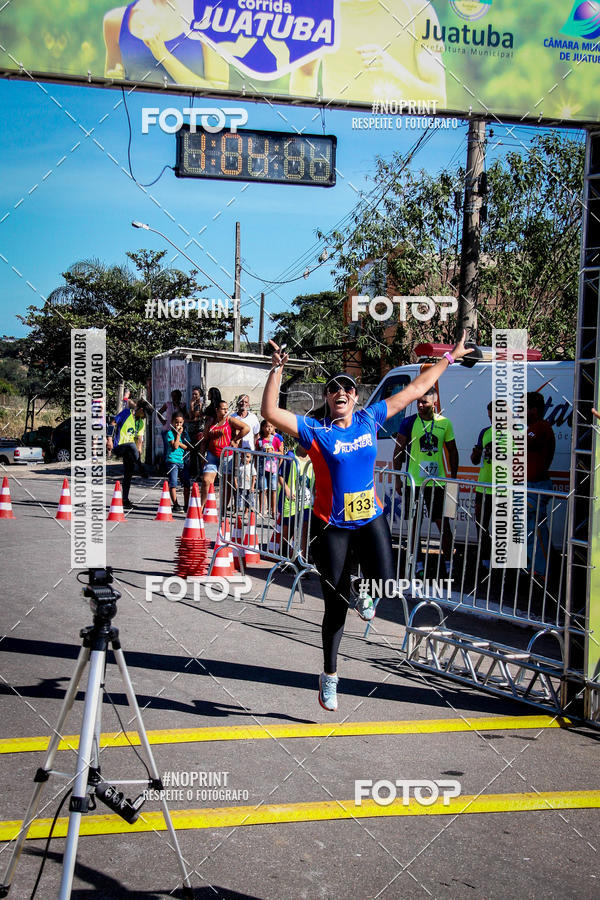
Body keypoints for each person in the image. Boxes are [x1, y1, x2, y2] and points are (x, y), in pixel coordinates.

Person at [262, 334, 472, 712]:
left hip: (369, 516)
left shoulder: (368, 419)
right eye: (333, 389)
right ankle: (329, 676)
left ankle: (365, 588)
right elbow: (271, 414)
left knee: (388, 584)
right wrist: (277, 369)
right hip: (333, 526)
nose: (340, 391)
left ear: (356, 397)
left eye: (347, 387)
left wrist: (450, 358)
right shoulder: (317, 432)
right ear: (328, 399)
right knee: (335, 607)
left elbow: (416, 388)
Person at [289, 0, 446, 107]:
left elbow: (439, 100)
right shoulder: (321, 8)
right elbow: (305, 74)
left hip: (400, 135)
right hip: (338, 132)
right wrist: (307, 133)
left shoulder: (418, 9)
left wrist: (396, 73)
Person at [393, 387, 458, 576]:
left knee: (443, 524)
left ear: (434, 403)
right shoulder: (409, 422)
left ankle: (449, 562)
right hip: (414, 483)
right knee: (414, 524)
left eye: (425, 402)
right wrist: (398, 479)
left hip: (437, 483)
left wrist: (453, 478)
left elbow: (452, 451)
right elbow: (398, 451)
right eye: (418, 402)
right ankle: (417, 563)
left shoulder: (445, 423)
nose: (420, 406)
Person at [103, 0, 229, 87]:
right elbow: (112, 85)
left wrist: (164, 56)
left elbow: (217, 94)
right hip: (138, 122)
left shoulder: (210, 20)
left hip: (187, 123)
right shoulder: (115, 21)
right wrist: (115, 81)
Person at [199, 399, 249, 510]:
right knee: (206, 480)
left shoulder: (230, 420)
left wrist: (235, 440)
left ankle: (223, 509)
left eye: (227, 409)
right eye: (223, 409)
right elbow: (205, 440)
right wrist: (202, 455)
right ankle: (201, 507)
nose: (226, 411)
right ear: (217, 410)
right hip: (212, 455)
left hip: (227, 456)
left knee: (227, 484)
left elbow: (246, 428)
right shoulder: (210, 422)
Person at [526, 392, 556, 578]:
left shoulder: (541, 427)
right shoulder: (534, 426)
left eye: (524, 409)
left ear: (534, 410)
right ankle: (537, 568)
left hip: (536, 486)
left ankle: (541, 571)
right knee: (532, 529)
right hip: (530, 485)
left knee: (536, 529)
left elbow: (520, 443)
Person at [112, 399, 149, 509]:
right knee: (130, 445)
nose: (144, 417)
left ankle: (125, 499)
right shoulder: (126, 413)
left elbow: (139, 443)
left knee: (128, 472)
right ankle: (141, 468)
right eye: (144, 414)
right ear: (140, 410)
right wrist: (109, 439)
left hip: (129, 451)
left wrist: (138, 454)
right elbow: (112, 423)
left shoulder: (140, 423)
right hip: (118, 446)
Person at [471, 401, 493, 570]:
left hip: (504, 489)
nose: (493, 420)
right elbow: (474, 460)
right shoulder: (485, 432)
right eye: (490, 416)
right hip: (483, 487)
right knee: (481, 524)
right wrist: (476, 453)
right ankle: (484, 561)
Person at [165, 411, 192, 513]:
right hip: (172, 461)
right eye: (176, 422)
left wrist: (180, 440)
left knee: (186, 483)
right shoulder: (170, 433)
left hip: (182, 461)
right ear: (172, 422)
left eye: (180, 423)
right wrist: (178, 435)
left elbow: (188, 447)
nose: (178, 425)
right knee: (173, 483)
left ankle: (186, 505)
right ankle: (175, 504)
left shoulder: (185, 434)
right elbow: (175, 446)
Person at [256, 419, 283, 516]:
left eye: (271, 426)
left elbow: (281, 453)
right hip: (262, 468)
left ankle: (273, 511)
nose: (269, 428)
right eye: (267, 426)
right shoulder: (259, 441)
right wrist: (256, 466)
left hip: (273, 468)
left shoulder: (276, 439)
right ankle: (261, 510)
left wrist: (273, 453)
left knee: (274, 489)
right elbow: (256, 454)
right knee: (262, 489)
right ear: (263, 427)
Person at [158, 390, 188, 461]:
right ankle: (165, 467)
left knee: (177, 448)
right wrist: (163, 421)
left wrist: (178, 406)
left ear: (180, 397)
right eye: (173, 396)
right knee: (167, 448)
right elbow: (159, 412)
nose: (175, 398)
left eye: (177, 396)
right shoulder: (168, 404)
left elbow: (185, 416)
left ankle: (176, 464)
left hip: (178, 430)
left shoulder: (182, 405)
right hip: (167, 430)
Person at [235, 451, 257, 523]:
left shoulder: (251, 467)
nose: (245, 458)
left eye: (247, 457)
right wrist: (236, 484)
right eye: (244, 456)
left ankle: (246, 512)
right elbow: (235, 476)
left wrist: (252, 486)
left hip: (248, 487)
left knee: (248, 499)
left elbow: (254, 476)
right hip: (240, 486)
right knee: (238, 498)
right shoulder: (239, 466)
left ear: (250, 458)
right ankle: (236, 511)